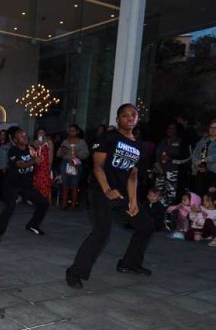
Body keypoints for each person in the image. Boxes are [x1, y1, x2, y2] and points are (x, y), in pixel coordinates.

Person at [65, 103, 154, 289]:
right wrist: (107, 190)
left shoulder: (139, 145)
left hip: (122, 193)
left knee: (146, 225)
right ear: (118, 119)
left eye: (133, 115)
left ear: (137, 119)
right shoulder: (107, 137)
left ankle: (129, 263)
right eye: (125, 115)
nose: (130, 118)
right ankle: (74, 273)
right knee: (101, 232)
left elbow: (133, 175)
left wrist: (133, 201)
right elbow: (98, 167)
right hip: (101, 192)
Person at [0, 128, 49, 242]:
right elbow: (20, 165)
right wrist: (34, 160)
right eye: (21, 136)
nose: (25, 137)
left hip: (26, 185)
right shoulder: (13, 151)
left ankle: (32, 225)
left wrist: (37, 158)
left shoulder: (30, 149)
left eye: (25, 135)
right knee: (10, 207)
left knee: (43, 203)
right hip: (12, 185)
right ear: (15, 140)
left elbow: (36, 162)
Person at [57, 124, 89, 210]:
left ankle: (74, 203)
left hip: (76, 163)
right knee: (65, 183)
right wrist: (62, 152)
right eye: (70, 131)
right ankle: (64, 202)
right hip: (65, 162)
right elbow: (58, 154)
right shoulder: (65, 141)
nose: (71, 133)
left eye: (73, 131)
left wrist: (77, 154)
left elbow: (86, 154)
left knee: (75, 183)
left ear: (77, 131)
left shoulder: (82, 142)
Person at [33, 127, 54, 203]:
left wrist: (49, 166)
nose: (41, 134)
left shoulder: (49, 142)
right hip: (37, 166)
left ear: (45, 134)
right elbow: (33, 154)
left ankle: (46, 201)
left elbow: (51, 154)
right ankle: (38, 200)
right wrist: (37, 145)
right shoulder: (36, 142)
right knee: (37, 183)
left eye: (42, 133)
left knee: (45, 183)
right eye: (39, 133)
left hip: (45, 166)